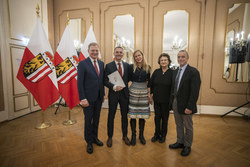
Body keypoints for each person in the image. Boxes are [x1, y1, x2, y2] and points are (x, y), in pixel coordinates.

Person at [169, 50, 201, 156]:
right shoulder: (175, 71)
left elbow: (195, 91)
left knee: (188, 126)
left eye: (183, 57)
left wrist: (190, 106)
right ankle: (180, 142)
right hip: (176, 102)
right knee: (178, 124)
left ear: (187, 58)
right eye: (178, 57)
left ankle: (187, 146)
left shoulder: (193, 72)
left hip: (187, 104)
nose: (180, 59)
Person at [77, 42, 105, 154]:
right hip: (87, 99)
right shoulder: (83, 64)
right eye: (92, 50)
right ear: (88, 51)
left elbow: (101, 80)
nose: (95, 52)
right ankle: (88, 142)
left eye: (96, 51)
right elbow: (79, 83)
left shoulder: (101, 63)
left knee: (97, 120)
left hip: (98, 98)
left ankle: (95, 138)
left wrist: (102, 95)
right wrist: (82, 98)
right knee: (88, 121)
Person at [104, 46, 131, 147]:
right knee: (111, 116)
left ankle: (125, 136)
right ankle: (110, 137)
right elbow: (105, 81)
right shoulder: (109, 66)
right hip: (113, 94)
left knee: (124, 116)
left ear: (122, 54)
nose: (119, 54)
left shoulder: (127, 66)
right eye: (117, 52)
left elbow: (128, 78)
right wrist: (114, 86)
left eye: (120, 52)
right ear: (114, 53)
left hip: (124, 95)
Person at [128, 50, 152, 146]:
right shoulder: (131, 67)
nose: (138, 57)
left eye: (139, 55)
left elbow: (149, 82)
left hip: (144, 92)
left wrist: (149, 95)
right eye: (136, 56)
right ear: (134, 58)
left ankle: (141, 135)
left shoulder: (148, 67)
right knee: (133, 114)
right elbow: (128, 79)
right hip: (133, 91)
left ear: (142, 55)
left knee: (142, 114)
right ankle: (133, 135)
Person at [150, 53, 173, 143]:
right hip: (157, 100)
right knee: (157, 118)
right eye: (161, 60)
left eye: (165, 60)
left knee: (165, 119)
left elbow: (173, 87)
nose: (163, 62)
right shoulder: (156, 72)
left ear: (168, 61)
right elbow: (151, 84)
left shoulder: (172, 73)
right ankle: (156, 134)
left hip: (166, 101)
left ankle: (163, 135)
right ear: (159, 62)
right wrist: (150, 95)